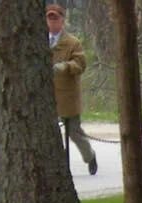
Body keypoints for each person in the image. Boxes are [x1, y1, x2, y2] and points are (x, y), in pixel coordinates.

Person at [47, 3, 97, 175]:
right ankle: (55, 167)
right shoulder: (39, 41)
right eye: (49, 18)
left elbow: (81, 64)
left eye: (56, 18)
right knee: (47, 134)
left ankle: (90, 156)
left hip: (67, 96)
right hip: (47, 97)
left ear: (62, 20)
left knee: (74, 132)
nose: (52, 22)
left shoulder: (72, 43)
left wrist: (65, 67)